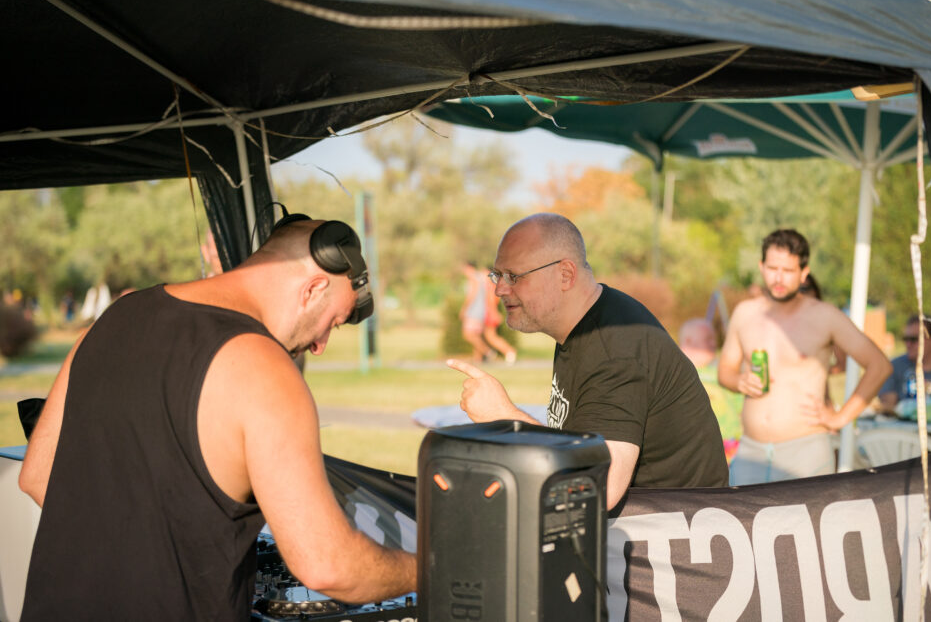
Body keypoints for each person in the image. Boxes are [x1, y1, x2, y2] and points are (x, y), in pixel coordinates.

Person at [18, 217, 416, 620]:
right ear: (312, 289)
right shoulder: (265, 369)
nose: (320, 345)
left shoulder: (113, 318)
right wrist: (431, 566)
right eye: (331, 322)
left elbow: (37, 475)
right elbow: (327, 565)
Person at [447, 213, 728, 510]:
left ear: (565, 275)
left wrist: (505, 418)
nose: (500, 289)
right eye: (498, 275)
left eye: (513, 276)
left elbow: (597, 487)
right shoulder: (583, 327)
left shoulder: (615, 349)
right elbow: (578, 444)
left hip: (675, 532)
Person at [718, 229, 892, 485]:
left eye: (788, 270)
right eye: (772, 268)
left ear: (804, 272)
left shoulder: (825, 316)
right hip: (750, 451)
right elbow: (724, 371)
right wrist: (739, 381)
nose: (779, 278)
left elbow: (879, 365)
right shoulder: (744, 313)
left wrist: (840, 417)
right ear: (761, 266)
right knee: (737, 511)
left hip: (805, 452)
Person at [459, 261, 515, 363]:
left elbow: (491, 301)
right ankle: (479, 358)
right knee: (481, 335)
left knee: (490, 336)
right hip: (486, 313)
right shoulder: (489, 285)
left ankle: (507, 352)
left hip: (488, 314)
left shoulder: (489, 286)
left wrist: (494, 313)